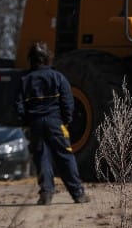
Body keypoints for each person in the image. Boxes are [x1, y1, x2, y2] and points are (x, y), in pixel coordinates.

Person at [16, 41, 89, 205]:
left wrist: (27, 121)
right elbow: (68, 102)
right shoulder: (58, 77)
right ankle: (78, 194)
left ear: (31, 59)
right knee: (65, 157)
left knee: (42, 158)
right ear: (47, 58)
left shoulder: (25, 80)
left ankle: (46, 194)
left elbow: (18, 105)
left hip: (35, 124)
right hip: (56, 122)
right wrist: (66, 120)